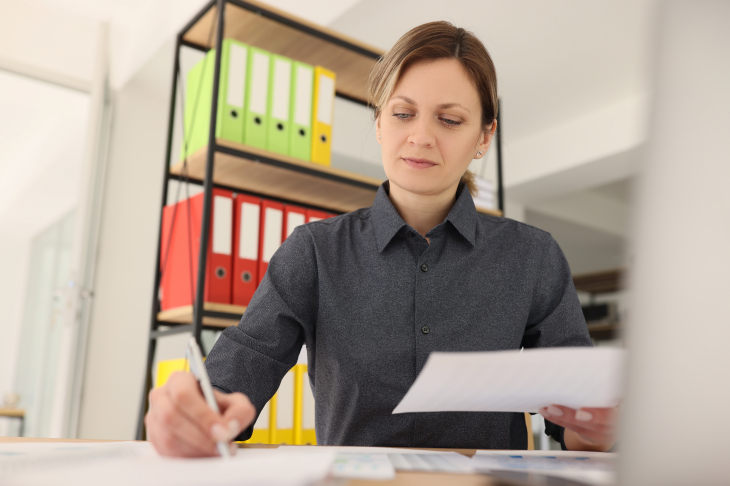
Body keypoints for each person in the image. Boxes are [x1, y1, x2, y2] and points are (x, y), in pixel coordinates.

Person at [145, 21, 618, 457]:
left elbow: (576, 418)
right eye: (403, 113)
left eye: (449, 120)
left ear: (484, 137)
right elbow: (241, 369)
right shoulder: (312, 252)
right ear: (378, 122)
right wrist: (194, 412)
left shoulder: (533, 257)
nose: (421, 136)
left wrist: (600, 428)